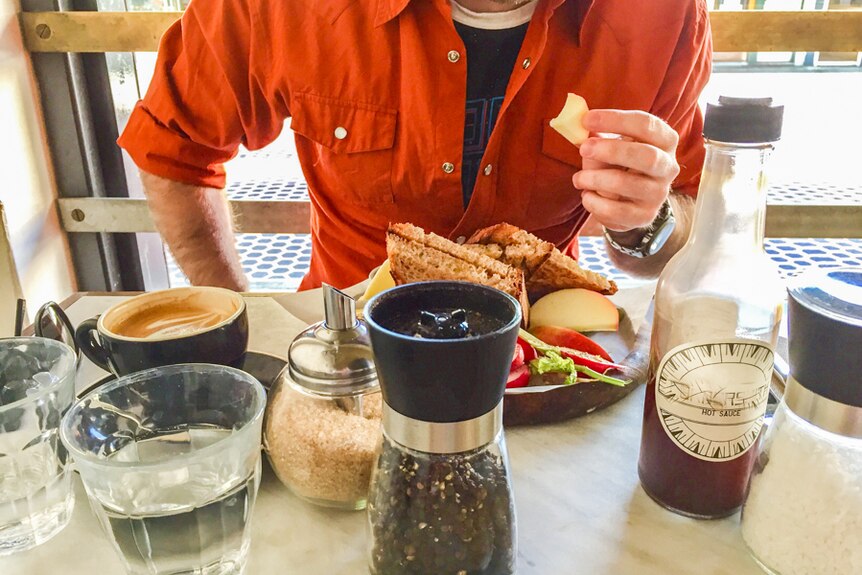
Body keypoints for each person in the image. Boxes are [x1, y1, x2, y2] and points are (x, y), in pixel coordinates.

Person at [118, 0, 712, 292]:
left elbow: (670, 235)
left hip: (546, 357)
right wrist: (235, 314)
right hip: (347, 346)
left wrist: (645, 223)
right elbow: (174, 147)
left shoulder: (661, 15)